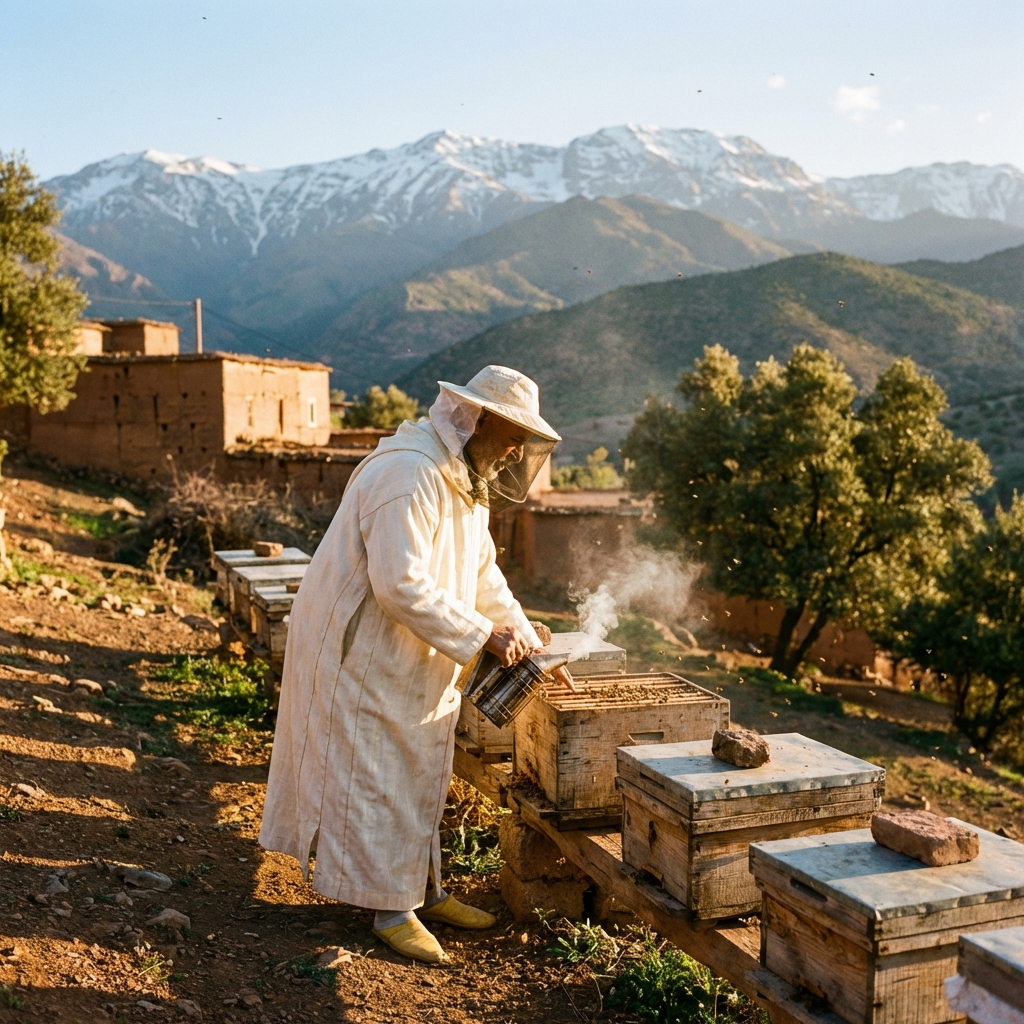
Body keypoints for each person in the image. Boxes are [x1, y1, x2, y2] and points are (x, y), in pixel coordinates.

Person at [259, 365, 573, 963]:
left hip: (408, 650)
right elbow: (398, 584)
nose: (514, 452)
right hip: (361, 652)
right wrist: (484, 636)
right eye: (510, 435)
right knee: (378, 775)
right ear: (475, 420)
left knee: (419, 767)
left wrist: (531, 642)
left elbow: (484, 578)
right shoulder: (407, 473)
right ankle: (389, 910)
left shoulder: (464, 481)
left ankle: (423, 891)